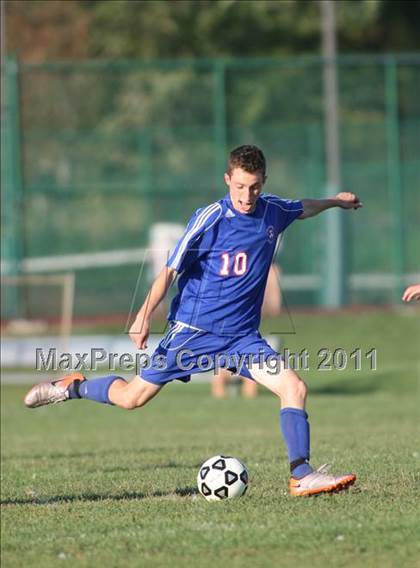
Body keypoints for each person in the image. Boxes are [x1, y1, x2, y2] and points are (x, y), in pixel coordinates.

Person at [24, 145, 361, 497]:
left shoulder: (272, 211)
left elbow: (302, 208)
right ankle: (72, 387)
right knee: (131, 398)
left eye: (255, 187)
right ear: (228, 179)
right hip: (193, 334)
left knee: (295, 388)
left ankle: (301, 475)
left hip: (241, 340)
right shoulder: (210, 218)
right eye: (240, 187)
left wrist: (335, 201)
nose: (247, 196)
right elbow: (170, 270)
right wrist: (143, 315)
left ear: (264, 182)